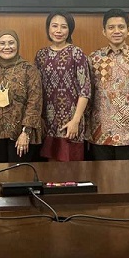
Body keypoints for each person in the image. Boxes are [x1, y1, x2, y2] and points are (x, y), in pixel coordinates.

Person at [86, 9, 129, 160]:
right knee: (101, 180)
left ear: (128, 30)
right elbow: (87, 94)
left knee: (127, 180)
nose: (116, 31)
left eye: (121, 27)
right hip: (100, 133)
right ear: (104, 31)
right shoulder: (94, 58)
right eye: (111, 27)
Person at [0, 30, 43, 163]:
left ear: (17, 45)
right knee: (0, 177)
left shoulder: (29, 70)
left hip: (21, 134)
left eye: (11, 43)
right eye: (2, 43)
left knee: (18, 177)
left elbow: (35, 102)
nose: (7, 47)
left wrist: (26, 132)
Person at [35, 11, 91, 161]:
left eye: (63, 27)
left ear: (70, 30)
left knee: (71, 173)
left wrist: (76, 120)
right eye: (54, 26)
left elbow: (85, 90)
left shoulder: (76, 53)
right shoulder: (41, 55)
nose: (58, 31)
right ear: (48, 28)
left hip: (70, 122)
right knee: (50, 172)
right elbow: (37, 91)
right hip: (47, 123)